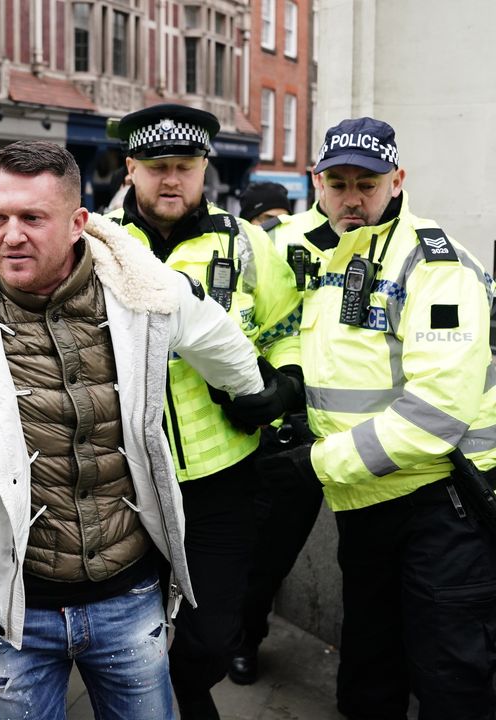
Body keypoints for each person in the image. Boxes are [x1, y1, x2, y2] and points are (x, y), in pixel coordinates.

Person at [0, 140, 290, 719]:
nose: (9, 235)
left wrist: (256, 391)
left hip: (127, 598)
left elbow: (214, 334)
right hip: (10, 612)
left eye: (32, 218)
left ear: (78, 222)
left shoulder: (142, 291)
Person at [280, 117, 496, 719]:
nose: (352, 199)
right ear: (315, 182)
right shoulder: (316, 250)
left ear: (397, 181)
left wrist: (318, 463)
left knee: (450, 672)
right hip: (365, 496)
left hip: (442, 501)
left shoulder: (434, 266)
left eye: (367, 184)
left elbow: (435, 415)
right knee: (370, 662)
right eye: (338, 183)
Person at [107, 104, 304, 719]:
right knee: (126, 633)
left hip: (224, 478)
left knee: (209, 637)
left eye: (186, 167)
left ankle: (184, 693)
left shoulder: (245, 244)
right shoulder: (97, 244)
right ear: (130, 169)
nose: (172, 180)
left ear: (204, 171)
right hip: (125, 476)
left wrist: (287, 383)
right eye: (158, 167)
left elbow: (288, 325)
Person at [230, 180, 331, 685]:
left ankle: (244, 637)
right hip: (274, 425)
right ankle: (242, 639)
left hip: (324, 433)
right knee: (253, 553)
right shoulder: (271, 241)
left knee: (273, 555)